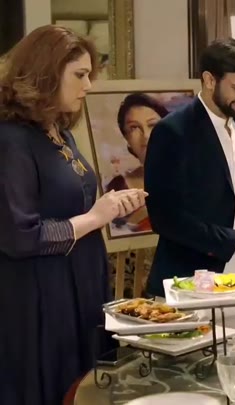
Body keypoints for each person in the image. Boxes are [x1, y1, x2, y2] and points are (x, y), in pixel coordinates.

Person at [0, 25, 146, 404]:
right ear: (46, 73)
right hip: (41, 296)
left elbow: (70, 204)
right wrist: (95, 217)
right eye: (80, 75)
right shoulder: (11, 140)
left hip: (80, 283)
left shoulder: (58, 132)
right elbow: (20, 235)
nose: (89, 86)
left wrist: (110, 207)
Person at [144, 38, 235, 332]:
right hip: (189, 281)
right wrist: (233, 242)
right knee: (192, 361)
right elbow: (165, 217)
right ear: (208, 80)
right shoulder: (172, 131)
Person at [106, 93, 169, 233]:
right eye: (134, 127)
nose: (146, 135)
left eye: (152, 125)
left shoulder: (195, 177)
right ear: (126, 138)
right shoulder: (117, 189)